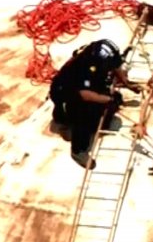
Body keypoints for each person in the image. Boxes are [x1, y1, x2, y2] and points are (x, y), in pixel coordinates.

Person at [49, 39, 141, 168]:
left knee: (113, 99)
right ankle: (78, 150)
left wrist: (127, 83)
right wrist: (108, 99)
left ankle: (67, 115)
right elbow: (85, 95)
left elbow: (115, 66)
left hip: (85, 86)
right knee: (86, 114)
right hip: (67, 94)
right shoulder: (83, 68)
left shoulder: (96, 56)